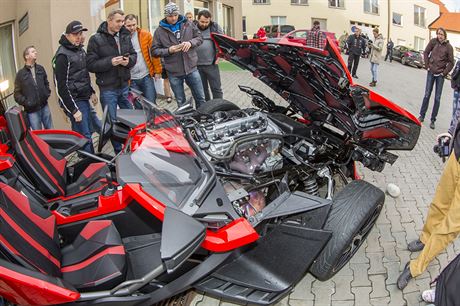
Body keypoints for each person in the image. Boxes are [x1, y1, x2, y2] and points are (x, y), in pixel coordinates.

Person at [397, 100, 460, 290]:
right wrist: (451, 132)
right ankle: (425, 238)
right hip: (457, 154)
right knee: (439, 204)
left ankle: (416, 267)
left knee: (450, 227)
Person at [87, 9, 136, 153]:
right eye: (118, 21)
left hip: (124, 85)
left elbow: (133, 55)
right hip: (108, 89)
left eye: (122, 21)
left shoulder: (125, 35)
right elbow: (90, 64)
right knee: (112, 122)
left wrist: (128, 62)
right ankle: (118, 152)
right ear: (109, 20)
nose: (121, 24)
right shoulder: (96, 39)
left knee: (131, 119)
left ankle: (132, 147)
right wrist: (110, 62)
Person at [54, 20, 101, 153]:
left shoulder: (79, 49)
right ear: (67, 35)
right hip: (74, 100)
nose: (79, 37)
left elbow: (83, 74)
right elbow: (60, 87)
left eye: (80, 34)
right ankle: (90, 163)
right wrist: (74, 110)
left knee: (98, 125)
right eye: (75, 34)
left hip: (84, 96)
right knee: (84, 135)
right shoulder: (62, 56)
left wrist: (91, 92)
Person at [152, 2, 205, 109]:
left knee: (200, 98)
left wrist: (190, 43)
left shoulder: (188, 24)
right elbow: (154, 51)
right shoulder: (159, 31)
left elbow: (199, 38)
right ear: (165, 16)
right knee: (181, 101)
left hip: (191, 68)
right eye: (170, 16)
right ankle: (187, 122)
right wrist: (169, 50)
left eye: (175, 15)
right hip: (174, 72)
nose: (173, 18)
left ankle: (203, 119)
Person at [418, 27, 454, 129]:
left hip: (440, 76)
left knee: (437, 98)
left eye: (441, 34)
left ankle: (433, 120)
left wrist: (444, 73)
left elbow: (451, 62)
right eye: (438, 34)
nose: (440, 36)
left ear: (445, 36)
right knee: (426, 94)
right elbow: (425, 52)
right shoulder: (433, 42)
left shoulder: (449, 47)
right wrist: (427, 65)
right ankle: (422, 115)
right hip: (431, 72)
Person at [124, 14, 162, 106]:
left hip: (146, 76)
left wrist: (157, 71)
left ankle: (153, 120)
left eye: (134, 24)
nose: (132, 28)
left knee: (151, 103)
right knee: (138, 106)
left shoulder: (145, 35)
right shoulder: (121, 38)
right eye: (129, 26)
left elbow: (154, 54)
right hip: (131, 79)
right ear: (124, 25)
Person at [14, 46, 53, 130]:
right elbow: (17, 94)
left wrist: (46, 94)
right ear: (26, 56)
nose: (36, 52)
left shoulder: (41, 69)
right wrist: (27, 102)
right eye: (32, 51)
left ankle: (53, 144)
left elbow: (46, 83)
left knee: (51, 130)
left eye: (35, 51)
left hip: (44, 106)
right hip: (32, 111)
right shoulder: (20, 74)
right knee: (38, 135)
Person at [194, 10, 223, 101]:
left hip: (212, 64)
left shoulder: (214, 27)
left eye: (207, 22)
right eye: (202, 22)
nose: (204, 24)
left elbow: (221, 42)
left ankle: (218, 107)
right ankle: (207, 109)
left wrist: (219, 56)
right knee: (203, 90)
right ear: (198, 19)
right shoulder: (192, 28)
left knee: (216, 89)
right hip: (196, 65)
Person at [451, 59, 460, 126]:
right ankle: (452, 127)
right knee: (454, 110)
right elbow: (454, 72)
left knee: (458, 111)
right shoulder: (459, 62)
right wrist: (453, 83)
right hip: (457, 88)